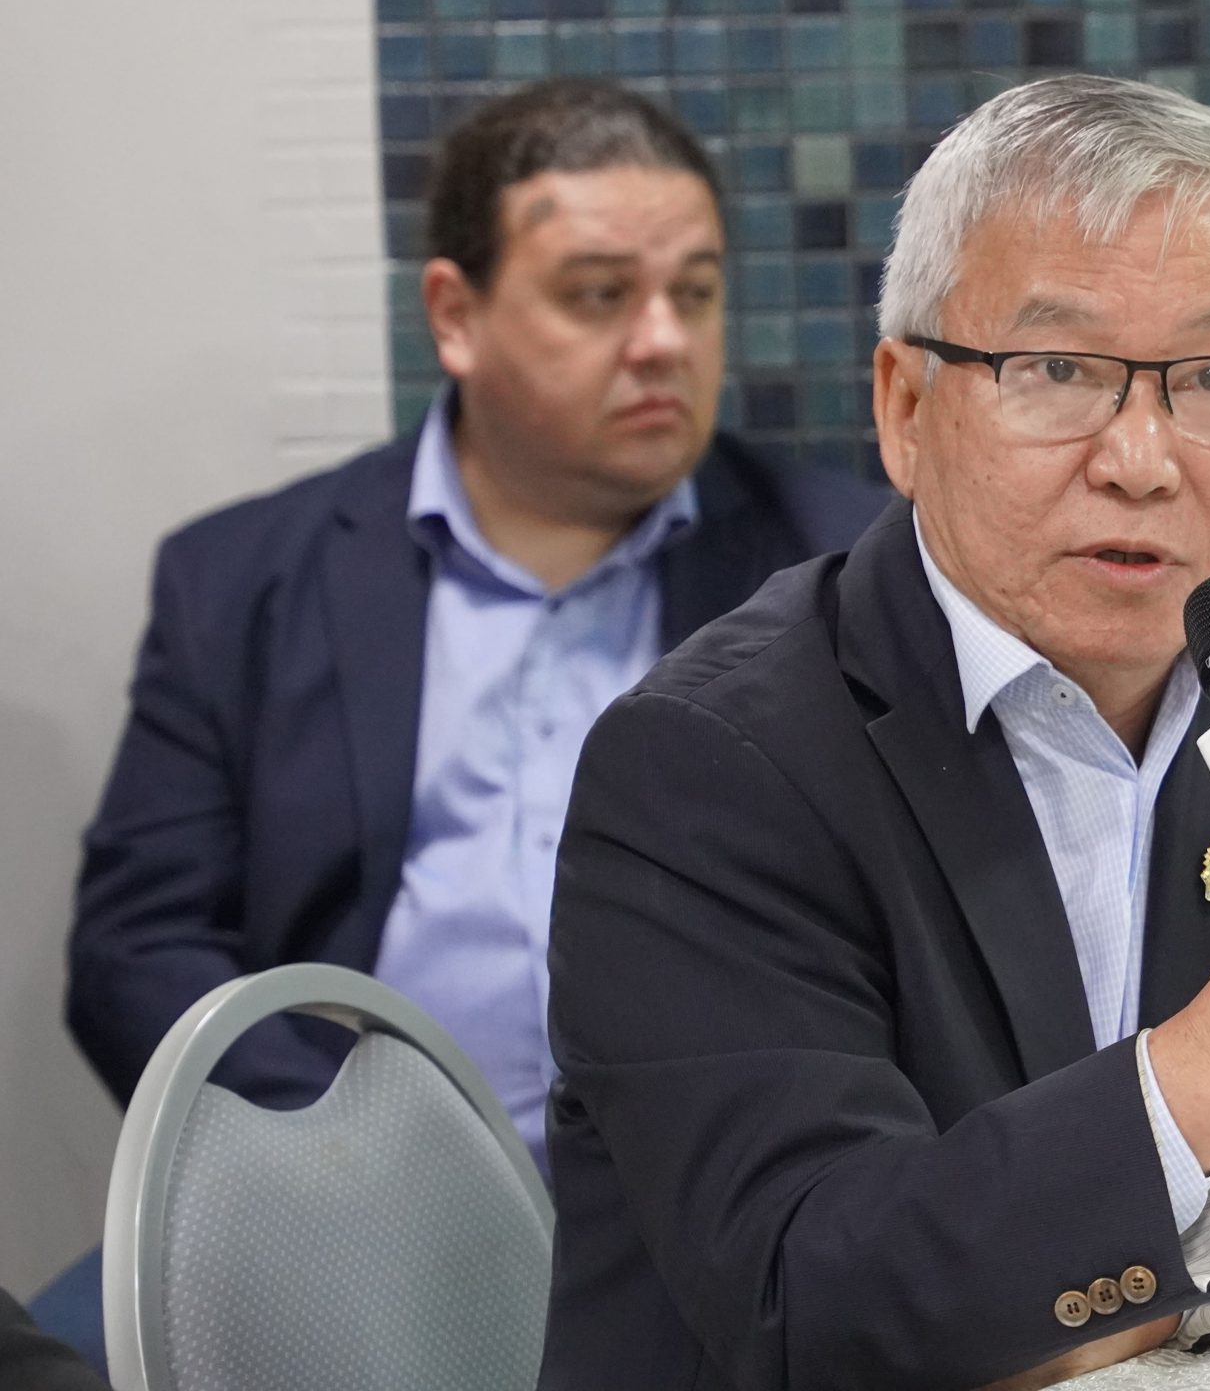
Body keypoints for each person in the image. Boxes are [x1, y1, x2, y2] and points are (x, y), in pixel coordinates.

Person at [537, 75, 1210, 1391]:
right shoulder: (708, 765)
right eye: (1058, 371)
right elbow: (819, 1299)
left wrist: (1106, 1289)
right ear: (905, 407)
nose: (1142, 459)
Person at [44, 78, 887, 1363]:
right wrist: (332, 1170)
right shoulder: (249, 582)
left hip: (719, 1227)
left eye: (696, 291)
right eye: (598, 295)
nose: (663, 341)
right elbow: (137, 947)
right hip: (341, 1231)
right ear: (455, 314)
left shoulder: (846, 570)